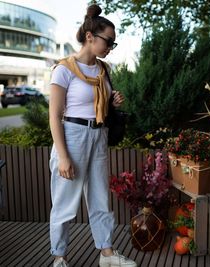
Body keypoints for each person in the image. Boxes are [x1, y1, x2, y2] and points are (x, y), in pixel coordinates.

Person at [48, 4, 136, 267]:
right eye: (108, 40)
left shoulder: (103, 70)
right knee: (65, 204)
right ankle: (59, 257)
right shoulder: (64, 69)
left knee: (100, 199)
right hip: (72, 137)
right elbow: (54, 116)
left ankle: (106, 254)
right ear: (90, 37)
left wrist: (113, 102)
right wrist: (63, 157)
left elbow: (98, 106)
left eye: (113, 43)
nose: (111, 46)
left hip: (98, 137)